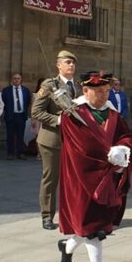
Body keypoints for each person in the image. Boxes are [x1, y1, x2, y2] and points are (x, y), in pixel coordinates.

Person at [57, 71, 132, 262]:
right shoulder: (73, 115)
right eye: (98, 91)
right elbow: (81, 147)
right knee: (93, 227)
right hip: (83, 177)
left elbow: (127, 135)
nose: (103, 95)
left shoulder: (113, 114)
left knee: (94, 226)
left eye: (106, 91)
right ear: (85, 91)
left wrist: (123, 149)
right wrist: (107, 155)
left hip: (107, 177)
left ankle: (68, 247)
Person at [31, 50, 78, 230]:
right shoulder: (50, 85)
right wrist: (58, 120)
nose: (71, 65)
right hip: (52, 139)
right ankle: (47, 216)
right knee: (51, 178)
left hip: (73, 141)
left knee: (72, 179)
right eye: (67, 62)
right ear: (58, 65)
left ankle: (72, 215)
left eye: (73, 63)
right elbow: (36, 111)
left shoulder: (79, 86)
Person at [2, 73, 31, 160]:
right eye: (15, 78)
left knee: (20, 135)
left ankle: (20, 153)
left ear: (21, 80)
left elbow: (28, 101)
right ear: (12, 80)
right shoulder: (6, 90)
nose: (16, 80)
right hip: (11, 115)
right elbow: (3, 102)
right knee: (10, 135)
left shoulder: (25, 90)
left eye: (18, 78)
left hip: (21, 115)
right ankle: (10, 153)